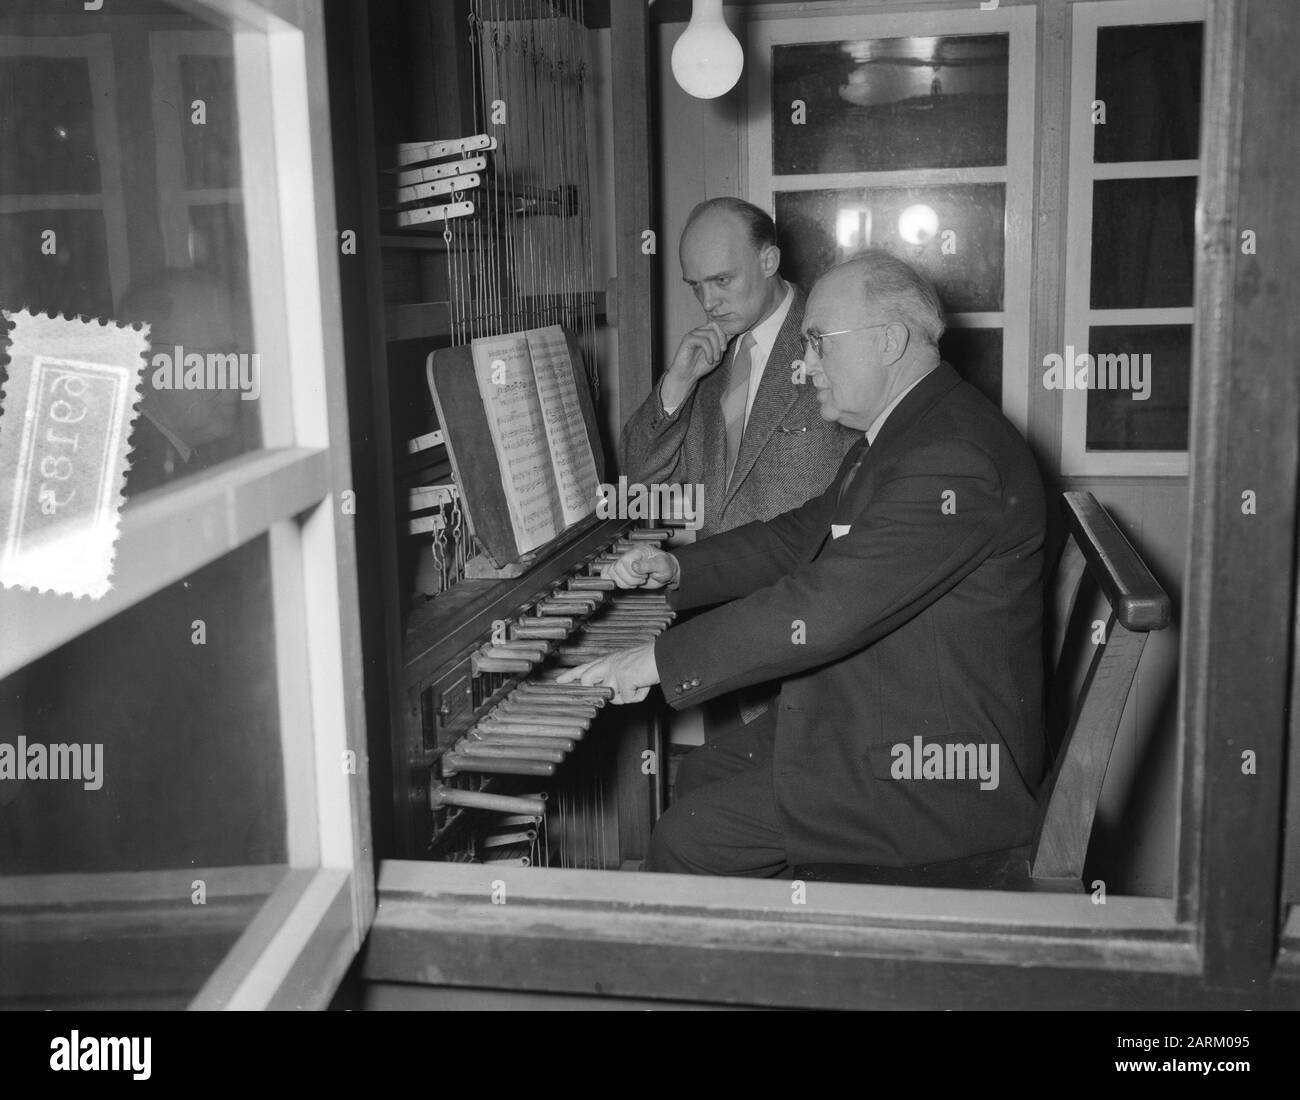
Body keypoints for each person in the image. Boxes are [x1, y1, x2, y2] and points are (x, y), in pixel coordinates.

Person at [561, 250, 1048, 877]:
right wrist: (680, 569)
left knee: (688, 840)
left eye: (817, 343)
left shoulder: (950, 456)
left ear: (889, 341)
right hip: (885, 706)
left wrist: (653, 661)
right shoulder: (906, 431)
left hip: (933, 768)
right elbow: (797, 539)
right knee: (705, 770)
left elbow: (823, 607)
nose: (803, 365)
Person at [621, 197, 856, 538]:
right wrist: (676, 385)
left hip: (798, 584)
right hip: (710, 582)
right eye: (695, 285)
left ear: (768, 261)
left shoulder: (833, 343)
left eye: (722, 280)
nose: (708, 303)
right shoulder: (704, 362)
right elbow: (639, 488)